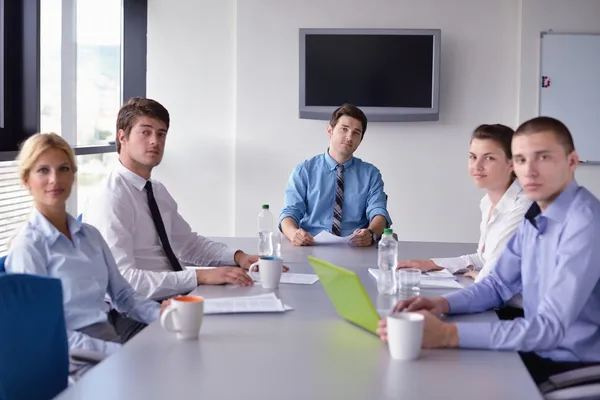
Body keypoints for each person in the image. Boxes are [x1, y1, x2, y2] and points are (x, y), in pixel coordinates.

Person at [377, 117, 600, 385]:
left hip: (574, 362)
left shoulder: (584, 223)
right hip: (536, 346)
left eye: (543, 158)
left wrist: (448, 334)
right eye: (520, 159)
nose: (529, 171)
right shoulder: (537, 214)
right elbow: (497, 284)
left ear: (572, 161)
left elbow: (549, 328)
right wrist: (441, 304)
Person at [83, 97, 284, 302]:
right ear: (122, 137)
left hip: (175, 297)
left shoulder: (156, 191)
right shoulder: (110, 198)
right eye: (145, 132)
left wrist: (238, 258)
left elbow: (188, 245)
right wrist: (200, 276)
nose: (155, 141)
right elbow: (122, 281)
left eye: (161, 134)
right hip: (138, 310)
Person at [5, 133, 166, 373]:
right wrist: (117, 352)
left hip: (110, 346)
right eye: (43, 170)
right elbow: (44, 333)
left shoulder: (90, 236)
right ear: (26, 179)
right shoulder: (28, 247)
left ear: (73, 175)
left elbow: (123, 295)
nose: (54, 179)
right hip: (70, 362)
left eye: (63, 168)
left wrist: (164, 316)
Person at [397, 124, 531, 284]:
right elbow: (483, 258)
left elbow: (495, 274)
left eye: (489, 158)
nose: (477, 166)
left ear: (512, 163)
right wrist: (430, 264)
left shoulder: (524, 205)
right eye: (473, 157)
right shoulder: (487, 203)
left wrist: (480, 277)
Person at [279, 103, 392, 247]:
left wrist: (370, 233)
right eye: (344, 129)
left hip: (356, 247)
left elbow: (379, 213)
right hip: (311, 245)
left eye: (356, 133)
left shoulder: (371, 174)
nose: (349, 137)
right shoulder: (304, 170)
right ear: (330, 130)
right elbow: (290, 213)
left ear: (360, 140)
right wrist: (294, 234)